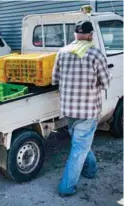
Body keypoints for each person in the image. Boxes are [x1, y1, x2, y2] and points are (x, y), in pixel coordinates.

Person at [52, 21, 112, 197]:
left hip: (68, 110)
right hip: (87, 110)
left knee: (80, 143)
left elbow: (55, 78)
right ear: (90, 34)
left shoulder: (62, 52)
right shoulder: (95, 54)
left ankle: (91, 169)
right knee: (80, 147)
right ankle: (66, 188)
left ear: (75, 34)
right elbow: (106, 82)